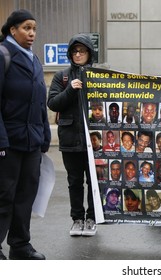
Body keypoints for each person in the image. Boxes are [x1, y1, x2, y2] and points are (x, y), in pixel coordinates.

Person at [0, 9, 50, 260]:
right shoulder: (3, 55)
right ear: (12, 30)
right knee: (4, 195)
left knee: (25, 196)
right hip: (8, 141)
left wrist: (44, 136)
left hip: (32, 141)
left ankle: (20, 245)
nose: (32, 33)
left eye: (34, 29)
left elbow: (40, 101)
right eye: (26, 28)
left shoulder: (34, 59)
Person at [47, 33, 98, 238]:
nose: (78, 54)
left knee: (94, 182)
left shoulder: (97, 75)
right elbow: (53, 103)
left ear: (89, 53)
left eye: (82, 51)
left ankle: (92, 218)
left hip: (94, 140)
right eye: (75, 51)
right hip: (70, 139)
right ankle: (77, 219)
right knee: (74, 181)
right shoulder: (62, 76)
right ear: (70, 54)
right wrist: (70, 89)